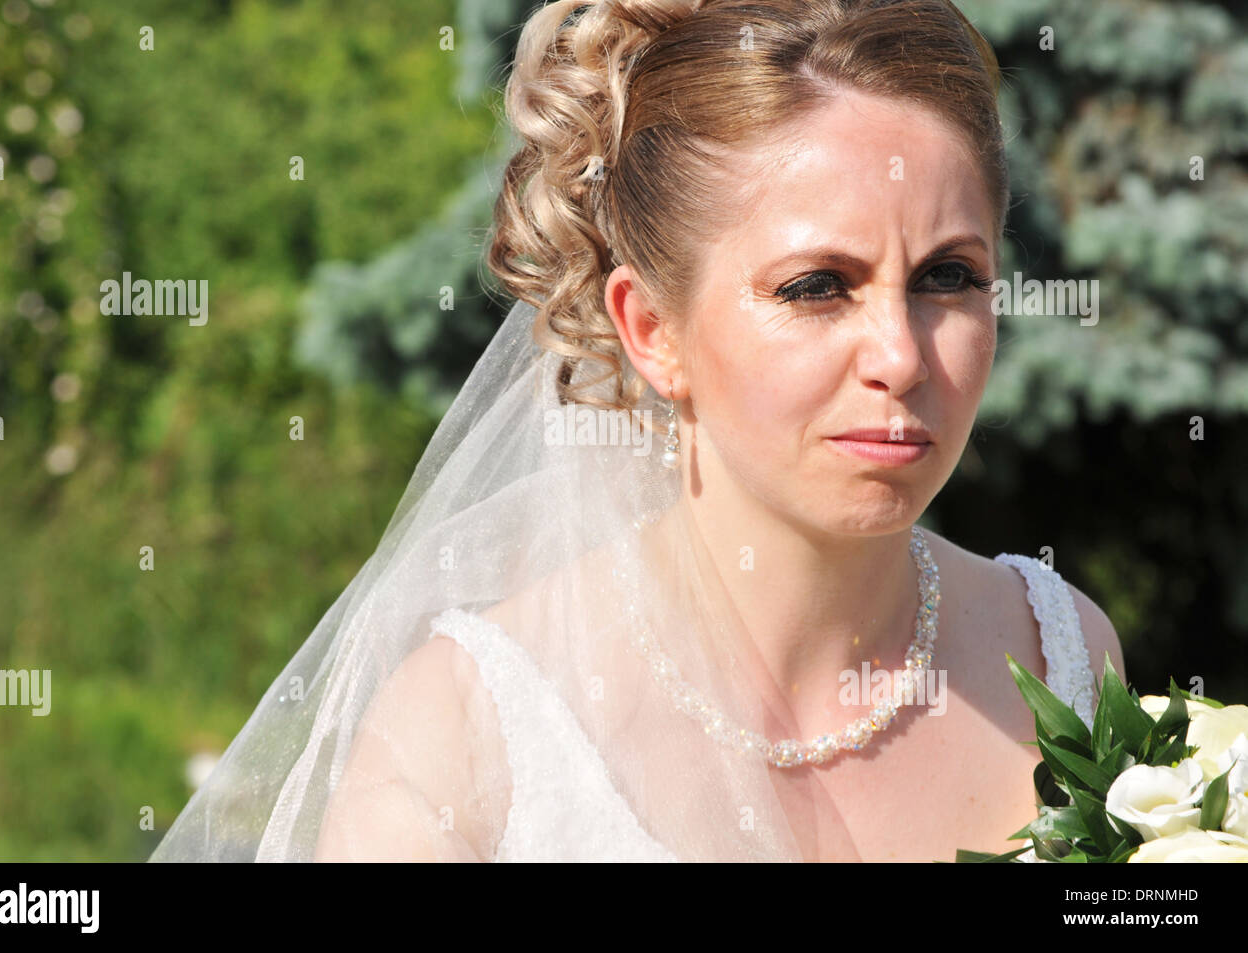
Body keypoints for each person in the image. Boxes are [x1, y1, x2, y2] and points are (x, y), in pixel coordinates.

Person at [150, 0, 1125, 863]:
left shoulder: (1060, 655)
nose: (901, 357)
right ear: (652, 330)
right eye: (815, 286)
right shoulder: (468, 729)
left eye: (947, 276)